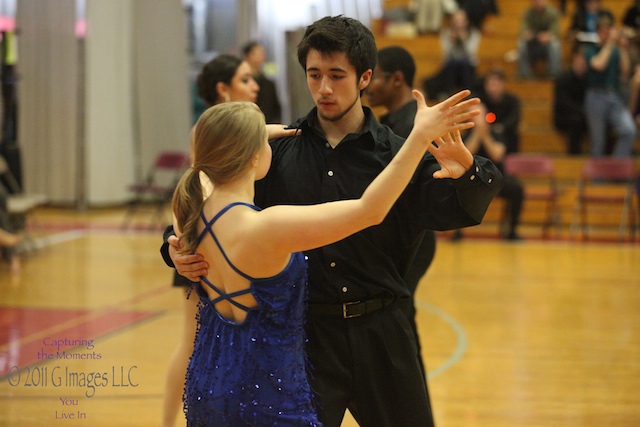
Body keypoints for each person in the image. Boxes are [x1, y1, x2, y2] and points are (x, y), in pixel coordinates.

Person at [165, 15, 503, 427]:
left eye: (337, 75)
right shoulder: (277, 154)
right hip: (306, 341)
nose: (323, 88)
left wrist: (468, 170)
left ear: (364, 78)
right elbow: (212, 200)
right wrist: (175, 246)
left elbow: (461, 209)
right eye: (314, 74)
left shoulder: (397, 157)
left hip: (383, 334)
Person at [160, 53, 261, 427]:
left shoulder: (244, 129)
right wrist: (175, 243)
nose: (255, 86)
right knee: (192, 342)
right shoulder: (210, 129)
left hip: (221, 244)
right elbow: (194, 188)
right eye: (246, 79)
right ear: (224, 88)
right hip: (201, 247)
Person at [365, 44, 437, 386]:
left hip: (412, 241)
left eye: (374, 77)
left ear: (397, 80)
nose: (367, 85)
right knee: (400, 324)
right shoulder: (389, 123)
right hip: (399, 239)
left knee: (398, 323)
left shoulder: (411, 126)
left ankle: (410, 402)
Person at [584, 14, 637, 157]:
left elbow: (626, 70)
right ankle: (598, 179)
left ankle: (616, 170)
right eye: (603, 31)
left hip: (614, 95)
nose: (607, 35)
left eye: (609, 31)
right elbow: (598, 65)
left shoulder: (615, 50)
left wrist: (622, 48)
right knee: (598, 142)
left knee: (629, 130)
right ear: (598, 33)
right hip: (596, 96)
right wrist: (610, 44)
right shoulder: (590, 50)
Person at [423, 8, 481, 101]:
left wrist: (464, 40)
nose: (458, 24)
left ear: (466, 22)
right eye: (456, 21)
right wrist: (451, 42)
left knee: (463, 64)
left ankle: (469, 93)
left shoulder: (474, 33)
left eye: (461, 21)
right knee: (452, 64)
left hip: (467, 67)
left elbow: (471, 55)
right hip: (451, 66)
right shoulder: (446, 33)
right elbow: (445, 55)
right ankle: (446, 92)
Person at [553, 46, 588, 155]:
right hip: (565, 116)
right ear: (575, 59)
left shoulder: (588, 79)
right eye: (580, 59)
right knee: (575, 121)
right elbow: (563, 102)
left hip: (583, 114)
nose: (582, 63)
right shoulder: (563, 78)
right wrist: (582, 111)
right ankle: (574, 155)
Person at [517, 0, 562, 79]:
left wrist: (548, 35)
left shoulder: (552, 13)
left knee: (555, 44)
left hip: (546, 43)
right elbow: (523, 29)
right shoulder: (528, 13)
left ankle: (554, 74)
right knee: (521, 44)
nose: (538, 2)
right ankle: (524, 75)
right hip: (532, 43)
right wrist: (527, 34)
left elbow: (555, 31)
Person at [242, 41, 282, 123]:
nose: (262, 56)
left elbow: (275, 108)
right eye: (258, 53)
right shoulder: (241, 82)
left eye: (263, 53)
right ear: (248, 55)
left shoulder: (268, 83)